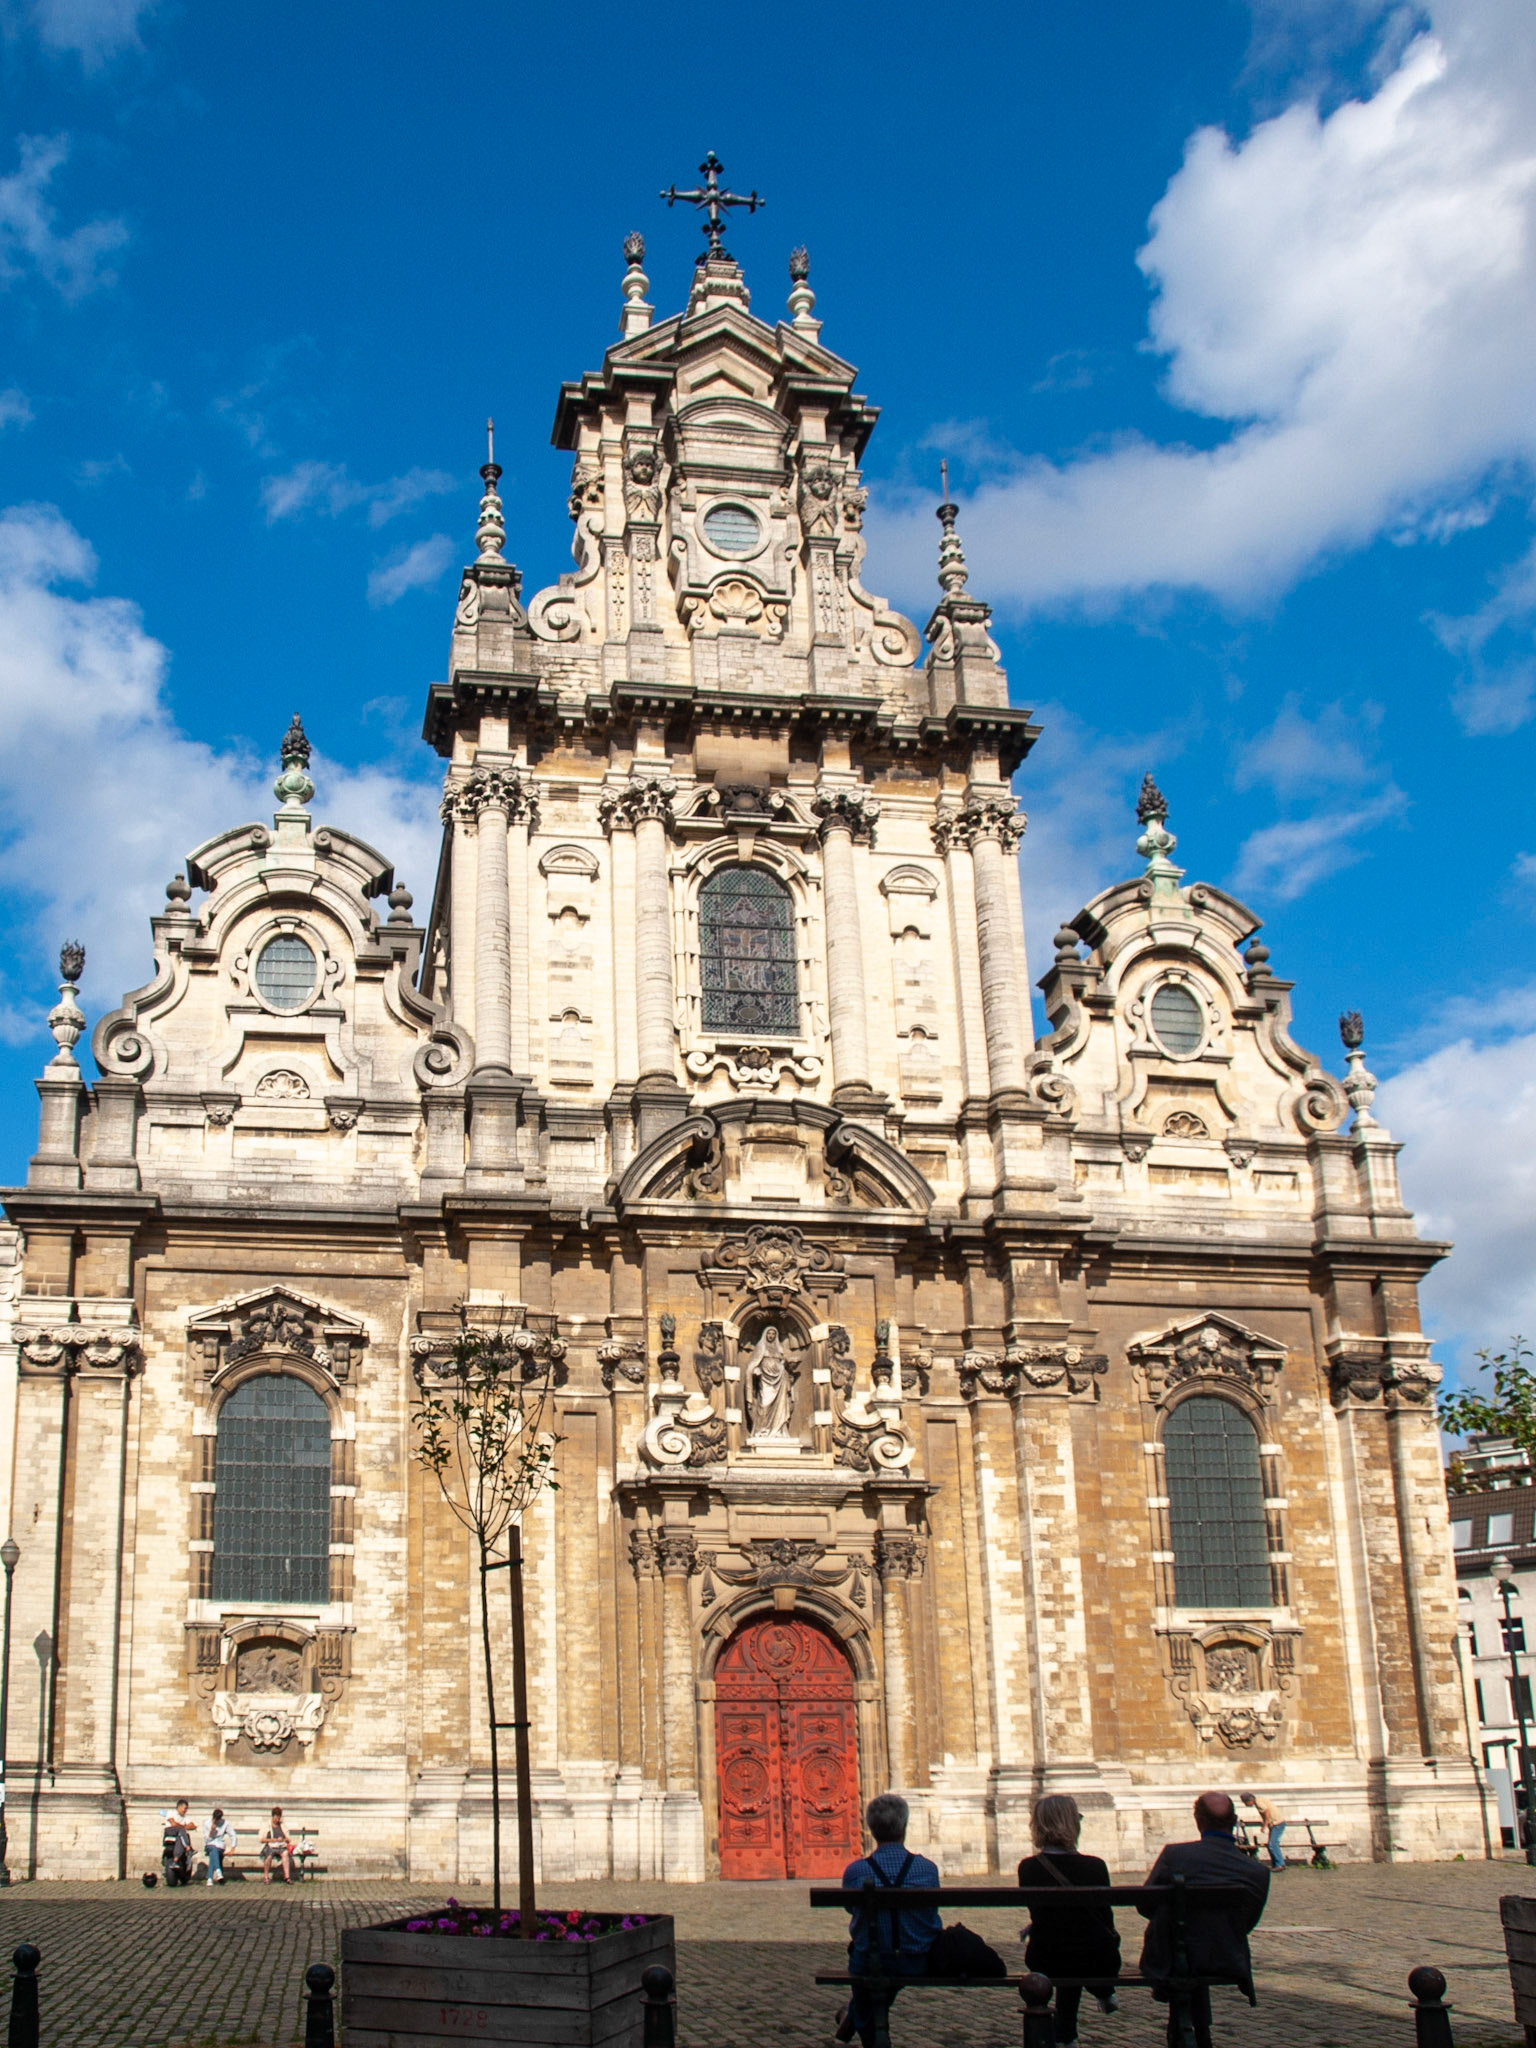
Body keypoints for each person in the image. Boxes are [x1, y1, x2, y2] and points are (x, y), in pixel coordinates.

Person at [1138, 1793, 1269, 2048]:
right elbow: (1246, 1923)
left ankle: (1187, 2030)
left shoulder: (1175, 1856)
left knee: (1185, 1942)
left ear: (1198, 1821)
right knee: (1200, 1940)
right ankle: (1200, 2033)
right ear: (1234, 1821)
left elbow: (1145, 1905)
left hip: (1170, 1959)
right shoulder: (1257, 1872)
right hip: (1226, 1956)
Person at [836, 1793, 941, 2047]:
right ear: (904, 1827)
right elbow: (930, 1909)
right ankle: (855, 2016)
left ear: (870, 1829)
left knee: (866, 1964)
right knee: (882, 1964)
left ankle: (861, 2024)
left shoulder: (855, 1871)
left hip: (872, 1961)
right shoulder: (927, 1869)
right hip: (918, 1959)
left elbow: (852, 1909)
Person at [1017, 1794, 1121, 2048]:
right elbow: (1104, 1918)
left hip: (1046, 1957)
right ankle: (1102, 1992)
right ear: (1074, 1824)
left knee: (1064, 1949)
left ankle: (1066, 2037)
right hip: (1091, 1957)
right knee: (1081, 1949)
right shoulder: (1095, 1866)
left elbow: (1042, 1914)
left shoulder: (1028, 1868)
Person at [1239, 1791, 1285, 1873]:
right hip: (1276, 1823)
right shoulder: (1260, 1799)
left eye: (1246, 1803)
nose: (1246, 1805)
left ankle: (1280, 1865)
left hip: (1277, 1823)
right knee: (1272, 1844)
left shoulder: (1258, 1802)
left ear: (1249, 1801)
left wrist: (1265, 1825)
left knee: (1272, 1844)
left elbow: (1266, 1811)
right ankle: (1276, 1864)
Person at [261, 1805, 294, 1883]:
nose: (277, 1820)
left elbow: (289, 1838)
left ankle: (287, 1877)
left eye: (278, 1818)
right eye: (275, 1818)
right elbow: (261, 1839)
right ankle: (266, 1876)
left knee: (285, 1853)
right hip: (270, 1846)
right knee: (268, 1856)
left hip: (280, 1846)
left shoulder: (282, 1825)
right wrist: (272, 1840)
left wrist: (283, 1839)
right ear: (272, 1817)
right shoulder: (266, 1825)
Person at [204, 1806, 237, 1884]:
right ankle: (218, 1871)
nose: (216, 1822)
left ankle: (209, 1878)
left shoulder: (225, 1823)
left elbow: (233, 1834)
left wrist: (233, 1847)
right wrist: (212, 1831)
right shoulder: (207, 1823)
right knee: (213, 1849)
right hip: (210, 1844)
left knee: (213, 1853)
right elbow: (207, 1840)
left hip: (220, 1845)